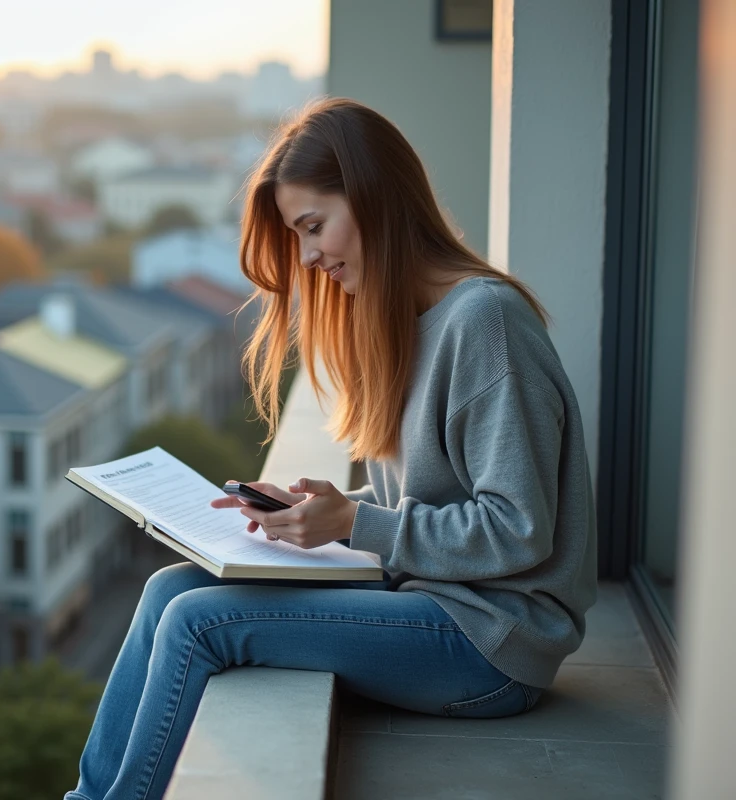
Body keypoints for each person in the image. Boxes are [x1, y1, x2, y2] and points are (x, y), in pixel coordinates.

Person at [65, 97, 597, 800]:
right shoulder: (408, 321)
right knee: (169, 589)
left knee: (203, 621)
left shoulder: (485, 323)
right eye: (298, 235)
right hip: (429, 600)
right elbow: (416, 503)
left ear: (376, 197)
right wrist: (323, 509)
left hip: (491, 642)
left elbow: (517, 529)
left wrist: (354, 526)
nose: (310, 257)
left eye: (314, 226)